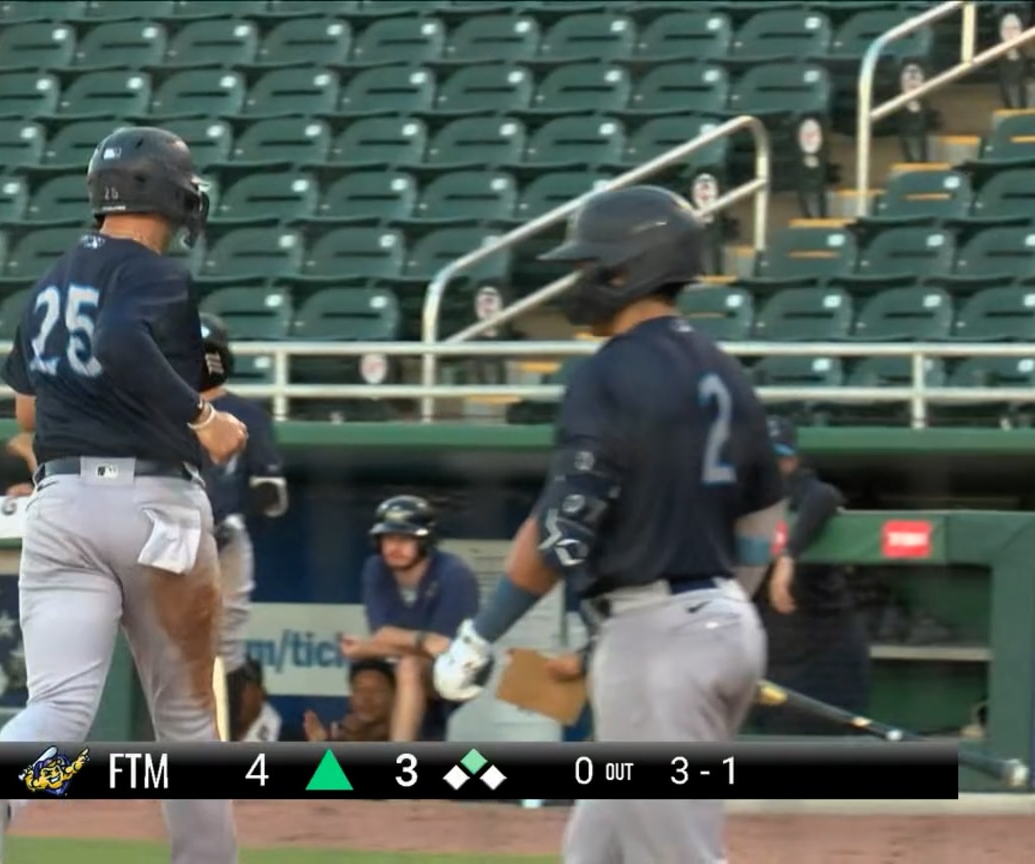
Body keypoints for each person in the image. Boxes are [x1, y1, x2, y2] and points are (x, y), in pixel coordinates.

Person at [431, 186, 785, 864]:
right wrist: (721, 603)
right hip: (718, 627)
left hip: (657, 646)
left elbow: (564, 530)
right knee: (597, 852)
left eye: (592, 266)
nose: (580, 281)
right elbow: (764, 524)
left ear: (630, 268)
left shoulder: (609, 373)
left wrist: (482, 633)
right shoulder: (726, 371)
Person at [0, 125, 246, 864]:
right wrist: (203, 416)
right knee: (184, 719)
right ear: (168, 192)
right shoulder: (155, 272)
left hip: (60, 504)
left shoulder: (51, 279)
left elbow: (25, 409)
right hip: (153, 504)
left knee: (57, 708)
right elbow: (117, 340)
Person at [749, 416, 870, 735]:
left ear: (791, 461)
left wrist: (788, 555)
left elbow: (824, 496)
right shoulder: (734, 493)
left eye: (779, 459)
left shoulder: (807, 491)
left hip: (823, 652)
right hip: (769, 653)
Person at [199, 313, 288, 732]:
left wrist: (231, 507)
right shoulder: (155, 409)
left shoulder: (247, 414)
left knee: (227, 648)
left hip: (226, 540)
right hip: (165, 539)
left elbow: (271, 497)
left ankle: (224, 749)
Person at [344, 495, 477, 742]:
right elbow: (383, 633)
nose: (395, 547)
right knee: (390, 672)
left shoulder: (454, 573)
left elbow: (444, 647)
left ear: (425, 541)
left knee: (409, 666)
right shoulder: (375, 569)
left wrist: (370, 648)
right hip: (412, 668)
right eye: (388, 538)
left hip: (464, 666)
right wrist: (419, 640)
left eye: (405, 539)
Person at [303, 659, 397, 743]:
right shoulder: (343, 738)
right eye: (360, 690)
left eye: (377, 691)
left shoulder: (404, 736)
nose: (367, 698)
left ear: (394, 696)